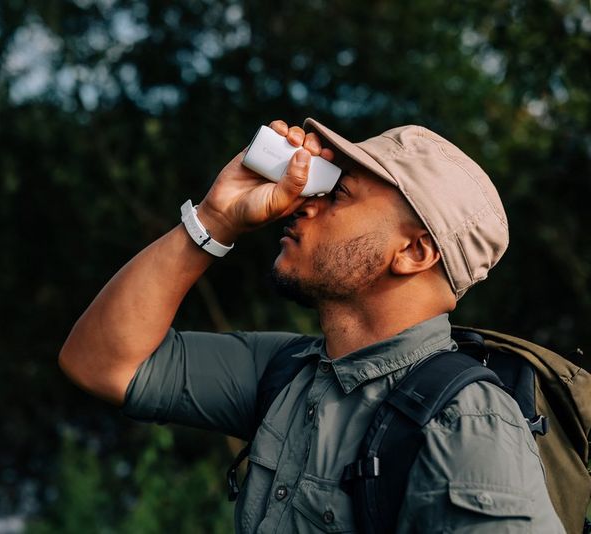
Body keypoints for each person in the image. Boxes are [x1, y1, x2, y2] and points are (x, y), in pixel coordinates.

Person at [59, 118, 564, 532]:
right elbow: (99, 363)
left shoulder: (469, 425)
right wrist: (215, 218)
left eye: (338, 194)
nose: (303, 201)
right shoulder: (287, 372)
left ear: (414, 252)